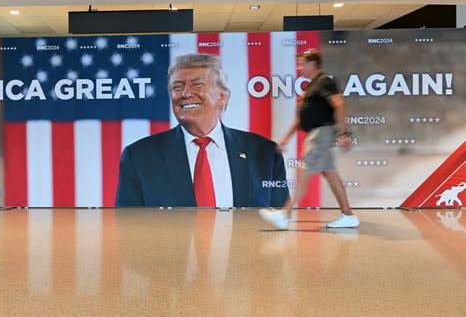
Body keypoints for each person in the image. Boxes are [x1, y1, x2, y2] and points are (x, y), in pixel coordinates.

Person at [116, 53, 289, 207]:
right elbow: (127, 229)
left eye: (197, 84)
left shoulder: (265, 153)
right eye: (177, 86)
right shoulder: (138, 157)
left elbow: (278, 222)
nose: (185, 93)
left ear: (222, 96)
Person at [259, 49, 359, 229]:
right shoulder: (312, 86)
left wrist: (345, 133)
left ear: (313, 63)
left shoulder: (324, 81)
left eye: (302, 64)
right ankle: (348, 215)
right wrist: (285, 139)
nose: (299, 68)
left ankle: (285, 214)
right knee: (331, 175)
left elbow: (340, 104)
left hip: (320, 134)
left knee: (303, 173)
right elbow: (301, 118)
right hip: (316, 133)